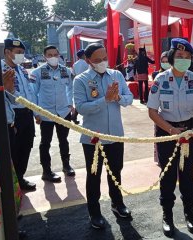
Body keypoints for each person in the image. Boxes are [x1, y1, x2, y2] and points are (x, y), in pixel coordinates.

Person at [147, 38, 193, 237]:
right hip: (167, 132)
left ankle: (189, 214)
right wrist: (169, 129)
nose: (183, 59)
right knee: (167, 175)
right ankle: (167, 215)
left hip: (189, 131)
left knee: (187, 174)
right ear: (172, 57)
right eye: (180, 56)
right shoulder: (161, 79)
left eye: (187, 57)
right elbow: (152, 111)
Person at [74, 43, 133, 229]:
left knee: (115, 171)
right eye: (97, 60)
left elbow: (129, 97)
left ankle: (117, 203)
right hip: (93, 139)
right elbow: (81, 108)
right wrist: (104, 100)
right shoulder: (81, 80)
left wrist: (118, 98)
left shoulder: (116, 75)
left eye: (104, 58)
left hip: (115, 136)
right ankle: (94, 211)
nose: (102, 62)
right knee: (94, 176)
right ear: (88, 60)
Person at [30, 45, 75, 183]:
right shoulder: (38, 72)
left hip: (63, 112)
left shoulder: (66, 71)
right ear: (45, 57)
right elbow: (33, 93)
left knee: (64, 140)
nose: (53, 57)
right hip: (46, 113)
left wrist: (70, 103)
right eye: (50, 55)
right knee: (45, 142)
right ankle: (46, 170)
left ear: (59, 55)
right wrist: (36, 113)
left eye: (55, 54)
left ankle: (66, 166)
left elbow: (71, 88)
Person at [1, 38, 36, 191]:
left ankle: (20, 177)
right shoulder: (0, 71)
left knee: (26, 146)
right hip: (14, 116)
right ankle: (13, 184)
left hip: (27, 113)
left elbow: (30, 92)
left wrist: (35, 112)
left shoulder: (21, 69)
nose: (21, 55)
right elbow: (10, 98)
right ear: (7, 52)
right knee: (14, 150)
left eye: (23, 52)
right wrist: (9, 89)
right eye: (18, 52)